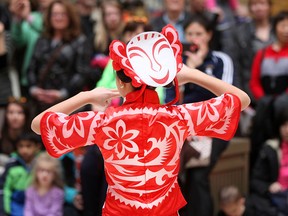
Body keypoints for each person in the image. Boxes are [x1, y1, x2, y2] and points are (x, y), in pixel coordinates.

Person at [31, 24, 250, 215]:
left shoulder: (103, 122)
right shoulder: (180, 117)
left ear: (122, 83)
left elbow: (39, 125)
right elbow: (242, 99)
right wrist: (192, 74)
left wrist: (84, 96)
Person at [175, 15, 235, 216]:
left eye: (199, 34)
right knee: (174, 174)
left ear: (209, 35)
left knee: (198, 176)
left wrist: (197, 71)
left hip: (214, 127)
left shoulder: (220, 60)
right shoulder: (179, 63)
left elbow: (227, 95)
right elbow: (174, 98)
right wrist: (189, 68)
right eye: (190, 34)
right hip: (184, 127)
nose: (194, 38)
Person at [28, 0, 94, 116]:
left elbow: (82, 73)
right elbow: (32, 66)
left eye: (63, 14)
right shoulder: (42, 39)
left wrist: (62, 93)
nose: (58, 18)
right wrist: (34, 89)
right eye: (55, 14)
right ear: (49, 17)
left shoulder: (80, 41)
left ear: (70, 17)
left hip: (67, 102)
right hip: (40, 101)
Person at [249, 10, 288, 170]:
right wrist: (263, 99)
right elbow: (254, 81)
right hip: (264, 106)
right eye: (283, 25)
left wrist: (281, 101)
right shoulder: (263, 53)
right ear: (275, 27)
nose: (286, 30)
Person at [250, 107, 288, 216]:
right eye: (284, 125)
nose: (287, 130)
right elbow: (255, 181)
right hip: (277, 197)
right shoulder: (270, 148)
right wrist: (268, 187)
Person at [0, 131, 41, 216]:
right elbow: (5, 188)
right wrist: (6, 210)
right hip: (16, 203)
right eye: (21, 146)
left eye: (28, 146)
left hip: (38, 201)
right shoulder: (11, 164)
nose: (24, 150)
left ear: (37, 147)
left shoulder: (43, 164)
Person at [24, 152, 64, 216]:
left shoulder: (57, 193)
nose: (45, 175)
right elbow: (28, 210)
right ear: (36, 172)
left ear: (55, 174)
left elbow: (55, 213)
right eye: (41, 170)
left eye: (49, 171)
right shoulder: (30, 191)